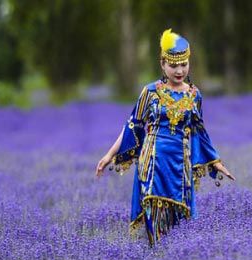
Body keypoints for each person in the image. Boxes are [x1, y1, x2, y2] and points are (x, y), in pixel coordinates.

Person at [96, 29, 235, 246]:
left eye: (184, 64)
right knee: (154, 215)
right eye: (173, 65)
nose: (179, 70)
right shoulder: (150, 92)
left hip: (181, 166)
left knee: (180, 220)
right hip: (152, 162)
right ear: (162, 64)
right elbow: (132, 125)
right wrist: (109, 155)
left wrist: (215, 162)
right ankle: (156, 258)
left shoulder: (194, 95)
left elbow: (199, 131)